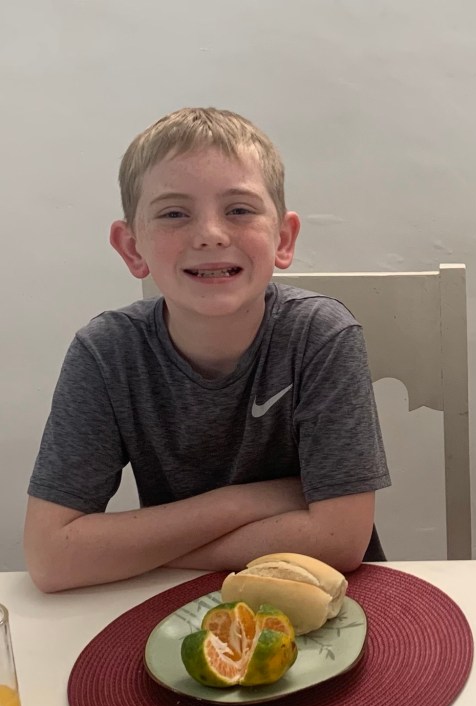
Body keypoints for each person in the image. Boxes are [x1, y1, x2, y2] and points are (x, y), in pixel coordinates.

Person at [24, 108, 391, 592]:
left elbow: (340, 540)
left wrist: (138, 553)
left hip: (329, 599)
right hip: (180, 607)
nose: (210, 234)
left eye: (239, 210)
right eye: (174, 213)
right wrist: (245, 501)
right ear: (132, 248)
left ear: (283, 239)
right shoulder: (106, 353)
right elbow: (50, 558)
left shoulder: (320, 335)